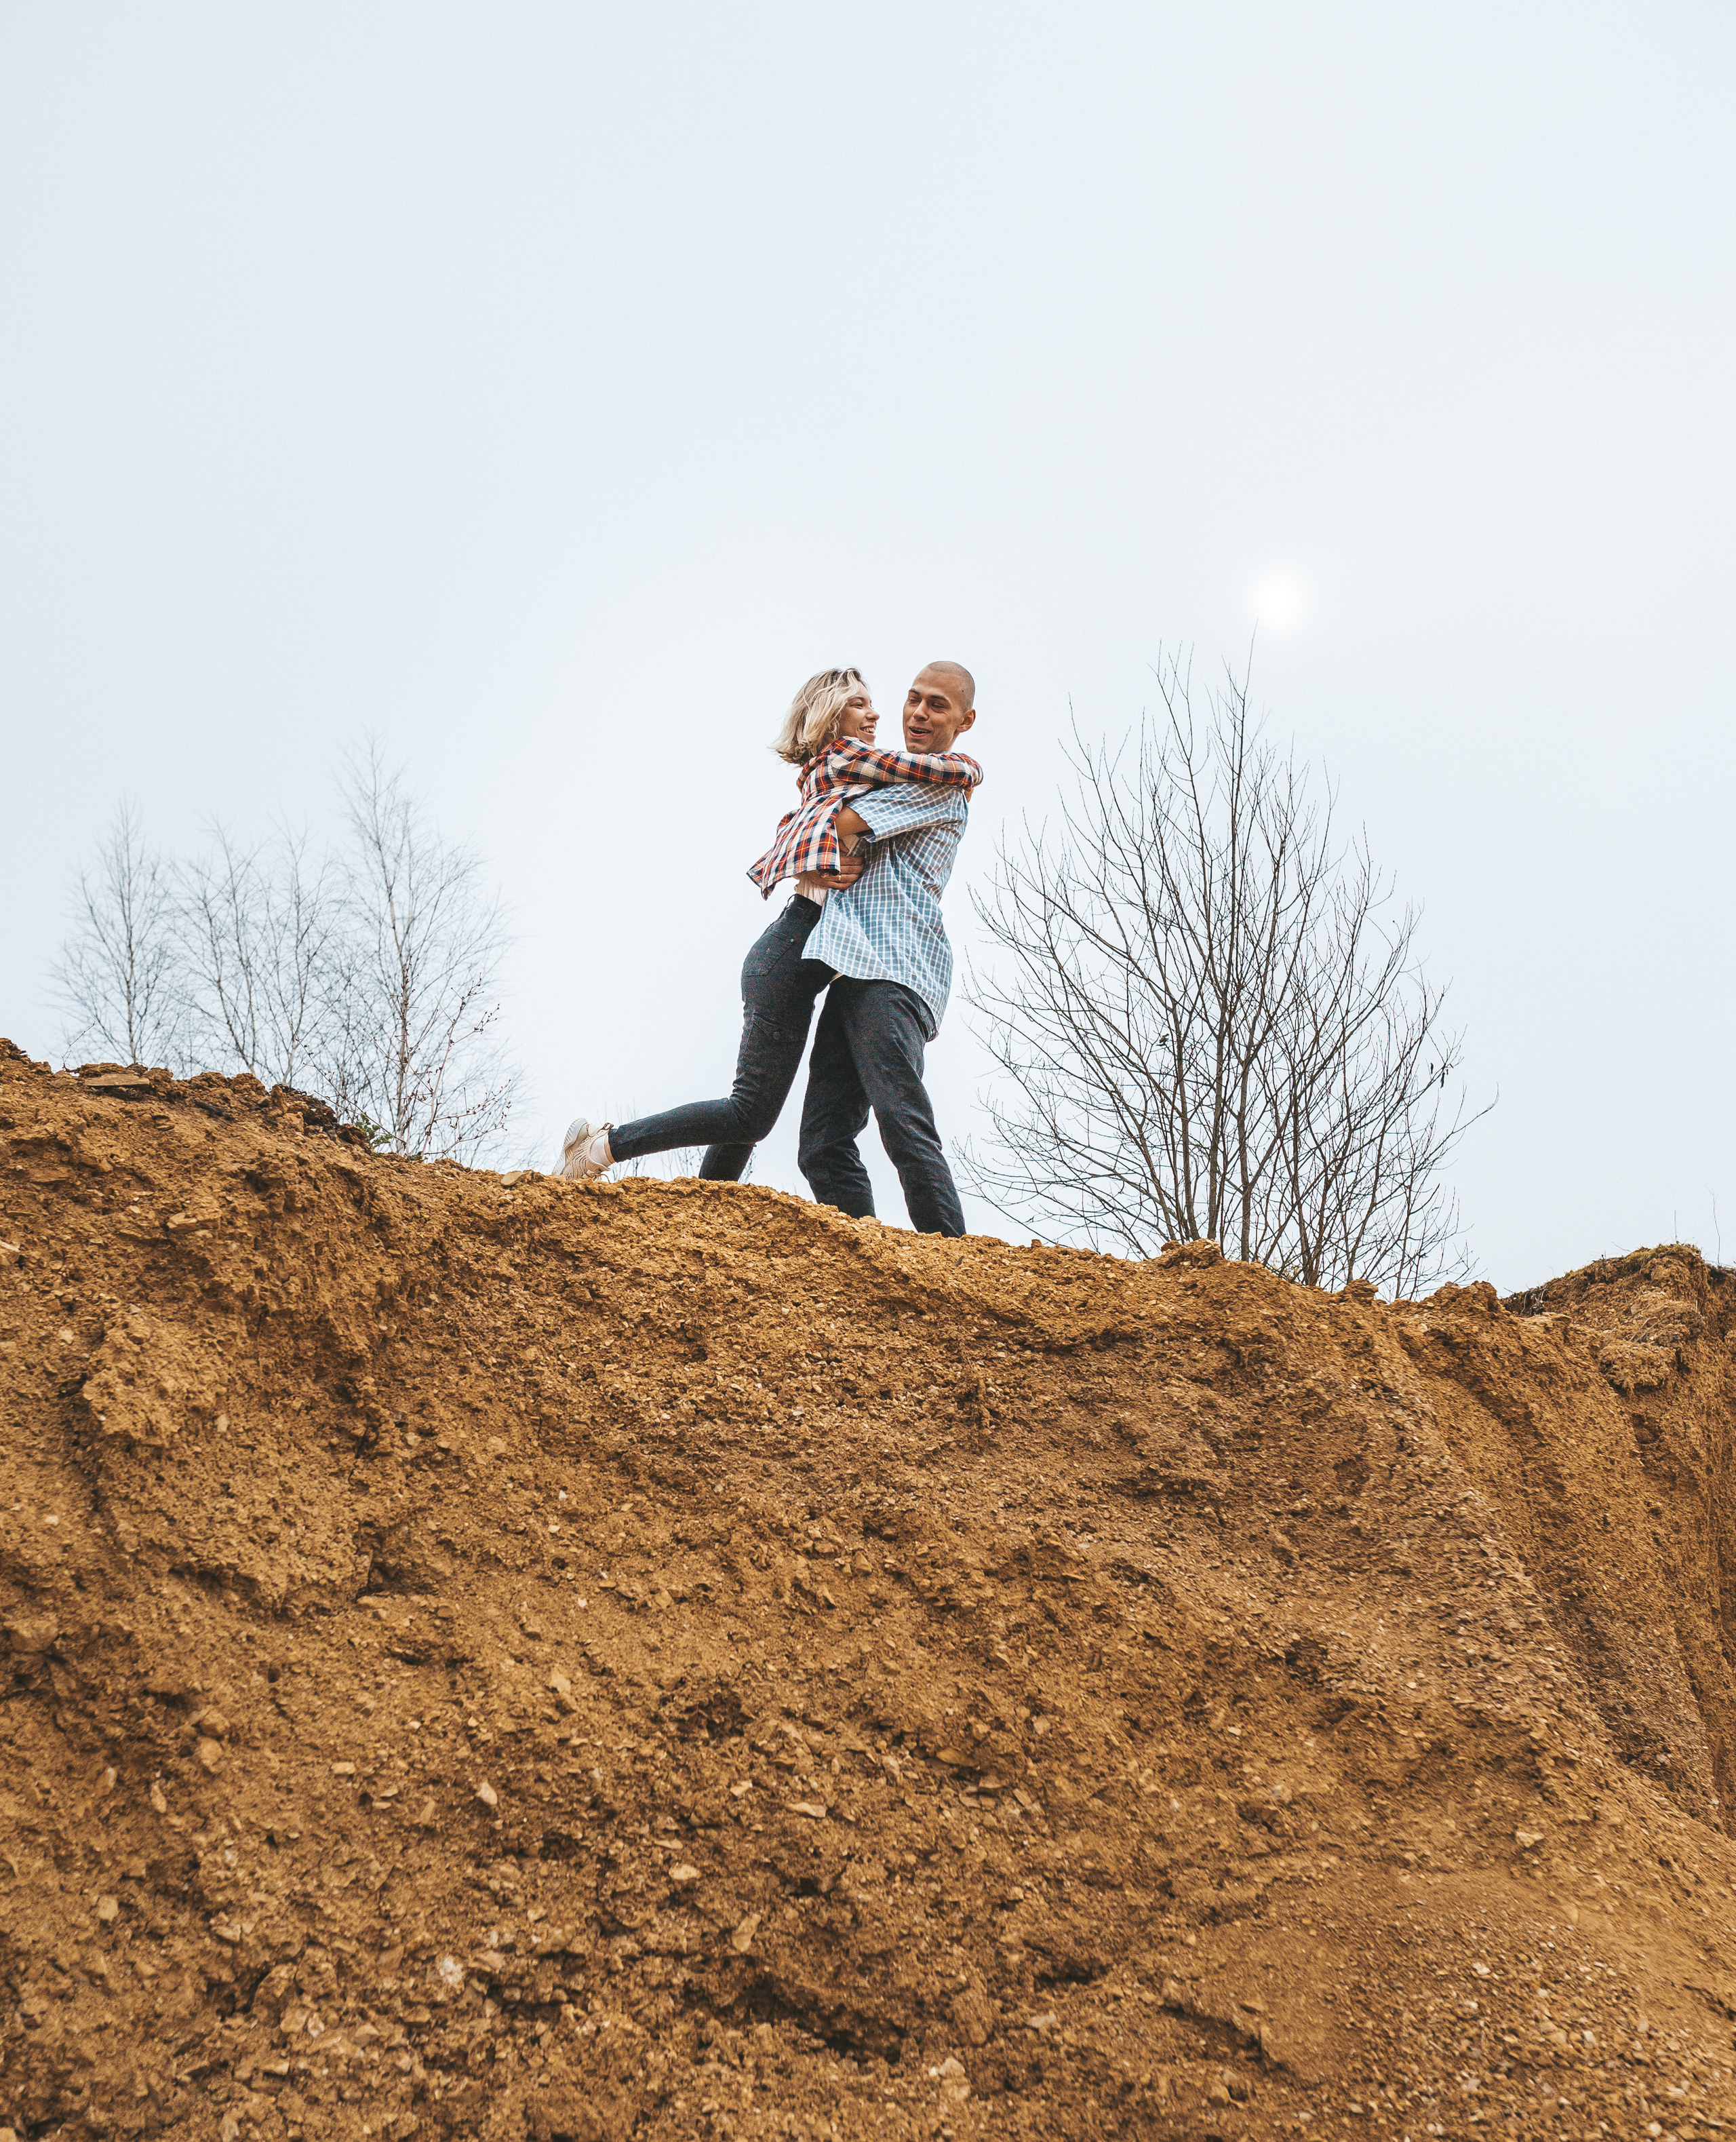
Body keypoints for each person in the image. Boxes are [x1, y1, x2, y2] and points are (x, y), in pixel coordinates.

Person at [557, 667, 981, 1186]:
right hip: (791, 950)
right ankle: (601, 1148)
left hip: (799, 954)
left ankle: (706, 1202)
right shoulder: (847, 764)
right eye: (859, 705)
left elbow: (814, 822)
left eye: (874, 704)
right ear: (831, 718)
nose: (876, 714)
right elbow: (824, 819)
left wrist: (817, 860)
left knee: (750, 1111)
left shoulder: (847, 779)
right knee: (750, 1112)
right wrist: (964, 769)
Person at [793, 661, 979, 1236]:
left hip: (896, 971)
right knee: (822, 1144)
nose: (919, 713)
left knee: (903, 1124)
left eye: (938, 706)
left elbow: (840, 823)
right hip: (855, 968)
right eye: (914, 699)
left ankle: (956, 1271)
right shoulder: (894, 775)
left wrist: (826, 821)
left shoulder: (938, 783)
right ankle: (871, 1270)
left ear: (965, 721)